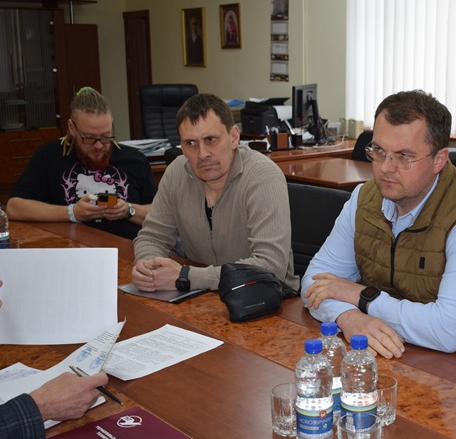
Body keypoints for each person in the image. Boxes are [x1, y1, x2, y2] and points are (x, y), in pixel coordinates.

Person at [301, 90, 456, 363]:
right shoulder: (364, 198)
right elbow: (313, 283)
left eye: (403, 156)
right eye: (379, 151)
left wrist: (361, 297)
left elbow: (448, 331)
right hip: (391, 357)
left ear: (439, 160)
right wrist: (348, 316)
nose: (385, 168)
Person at [131, 93, 299, 293]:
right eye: (191, 143)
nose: (202, 154)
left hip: (266, 297)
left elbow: (271, 266)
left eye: (211, 139)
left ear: (234, 137)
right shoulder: (176, 172)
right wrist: (149, 268)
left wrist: (187, 277)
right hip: (202, 295)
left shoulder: (263, 176)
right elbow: (152, 237)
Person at [6, 87, 157, 240]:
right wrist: (72, 212)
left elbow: (161, 215)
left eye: (105, 136)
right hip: (72, 247)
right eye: (89, 138)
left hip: (128, 247)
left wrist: (128, 210)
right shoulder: (50, 156)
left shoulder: (135, 160)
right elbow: (14, 208)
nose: (98, 146)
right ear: (72, 128)